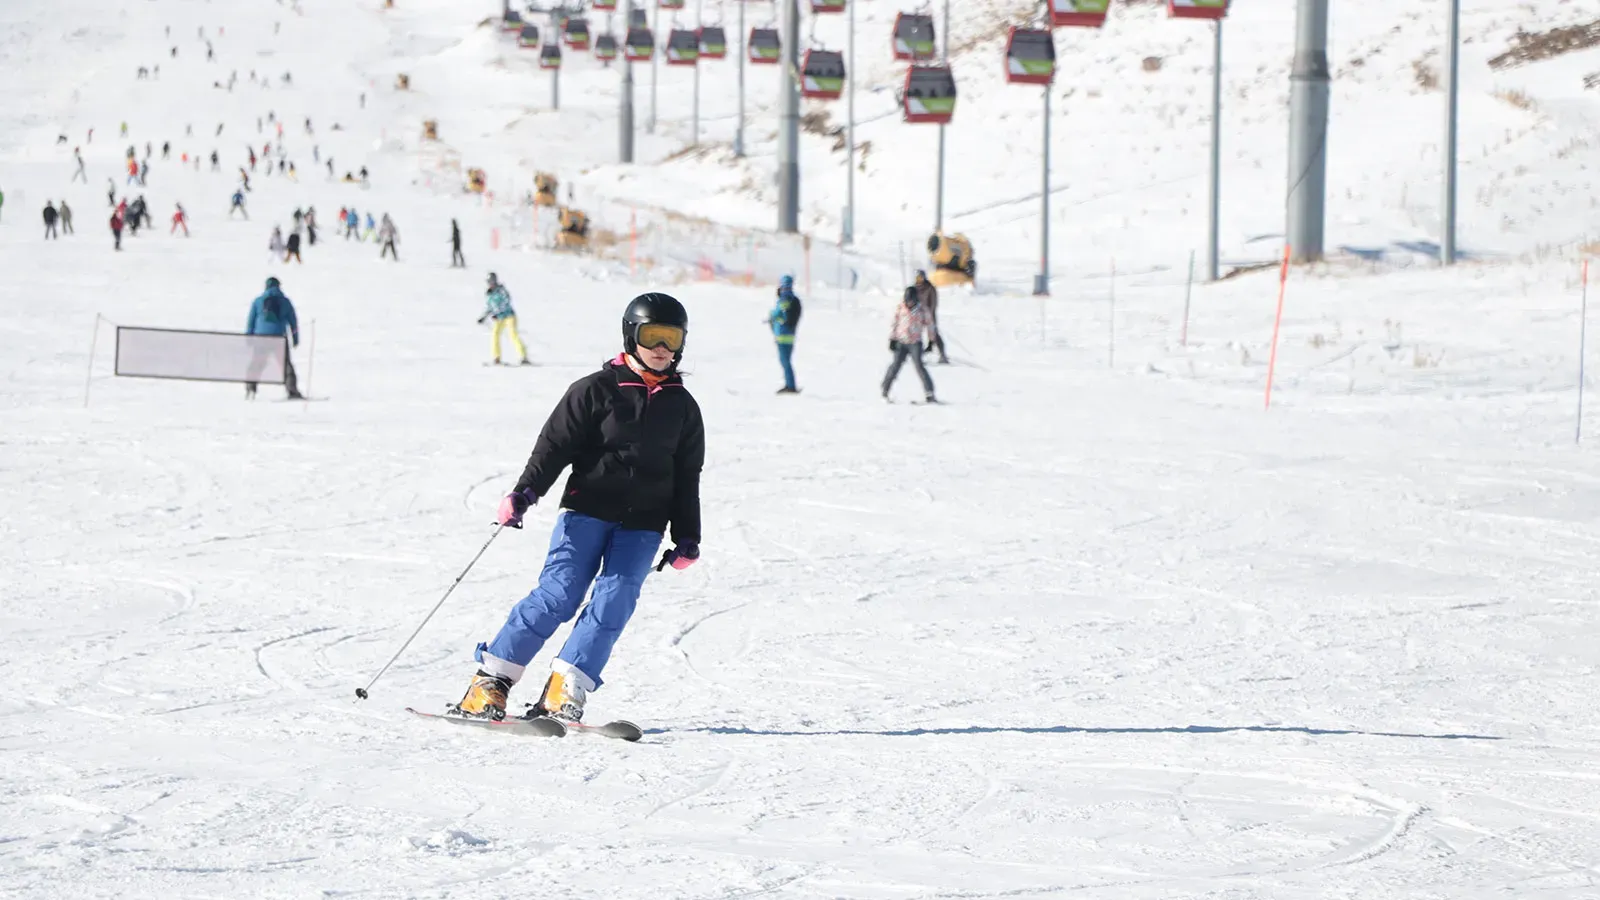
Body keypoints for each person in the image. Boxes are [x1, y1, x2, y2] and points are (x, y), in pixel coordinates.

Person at [452, 292, 705, 722]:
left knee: (615, 601)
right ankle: (490, 681)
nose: (662, 348)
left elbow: (687, 476)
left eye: (671, 338)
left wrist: (687, 536)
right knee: (559, 595)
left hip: (644, 524)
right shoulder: (595, 390)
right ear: (631, 335)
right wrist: (525, 493)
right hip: (587, 510)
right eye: (652, 336)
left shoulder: (683, 407)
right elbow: (553, 448)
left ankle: (566, 683)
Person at [245, 277, 305, 399]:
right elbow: (293, 322)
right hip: (279, 338)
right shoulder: (285, 301)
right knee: (285, 365)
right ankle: (292, 390)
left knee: (257, 363)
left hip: (261, 337)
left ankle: (251, 388)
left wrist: (249, 337)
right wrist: (295, 338)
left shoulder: (258, 301)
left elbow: (251, 321)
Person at [881, 286, 938, 404]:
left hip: (915, 343)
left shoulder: (922, 310)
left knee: (920, 367)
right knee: (895, 366)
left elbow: (930, 325)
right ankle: (885, 389)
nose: (909, 303)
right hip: (901, 341)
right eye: (907, 301)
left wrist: (931, 341)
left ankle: (929, 393)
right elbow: (895, 323)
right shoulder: (901, 308)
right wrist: (892, 339)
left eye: (911, 301)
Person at [478, 273, 530, 366]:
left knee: (513, 334)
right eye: (489, 282)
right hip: (499, 318)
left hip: (509, 316)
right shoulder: (489, 294)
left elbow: (506, 302)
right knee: (495, 335)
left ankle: (523, 356)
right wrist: (484, 317)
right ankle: (496, 357)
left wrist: (497, 313)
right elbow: (490, 306)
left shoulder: (501, 290)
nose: (491, 284)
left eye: (492, 281)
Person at [766, 274, 802, 394]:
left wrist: (772, 316)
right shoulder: (794, 299)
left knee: (785, 361)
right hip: (790, 335)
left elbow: (778, 313)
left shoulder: (785, 299)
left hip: (783, 335)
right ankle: (789, 383)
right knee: (787, 361)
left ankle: (790, 385)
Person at [913, 270, 948, 364]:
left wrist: (929, 314)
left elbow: (933, 303)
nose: (919, 280)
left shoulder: (930, 288)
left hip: (929, 315)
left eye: (920, 278)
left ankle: (942, 355)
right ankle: (917, 356)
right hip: (918, 316)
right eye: (917, 278)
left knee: (934, 334)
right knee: (915, 335)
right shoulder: (914, 289)